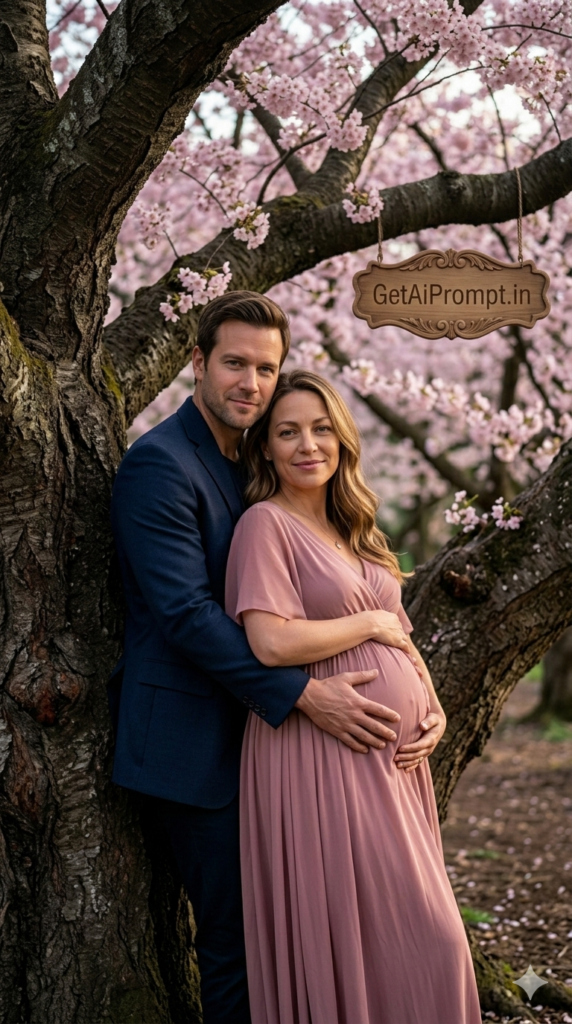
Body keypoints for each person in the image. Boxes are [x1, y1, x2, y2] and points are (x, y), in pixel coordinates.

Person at [108, 292, 411, 1024]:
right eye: (235, 364)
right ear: (198, 363)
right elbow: (185, 615)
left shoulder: (258, 458)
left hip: (279, 751)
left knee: (294, 931)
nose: (250, 382)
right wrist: (303, 695)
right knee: (237, 945)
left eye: (266, 368)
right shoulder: (161, 465)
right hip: (196, 746)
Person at [225, 368, 482, 1024]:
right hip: (320, 752)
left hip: (393, 764)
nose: (307, 444)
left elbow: (404, 638)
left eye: (320, 429)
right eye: (287, 432)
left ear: (342, 440)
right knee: (430, 940)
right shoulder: (264, 526)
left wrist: (436, 706)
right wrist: (369, 623)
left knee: (406, 941)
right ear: (266, 449)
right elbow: (271, 643)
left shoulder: (358, 531)